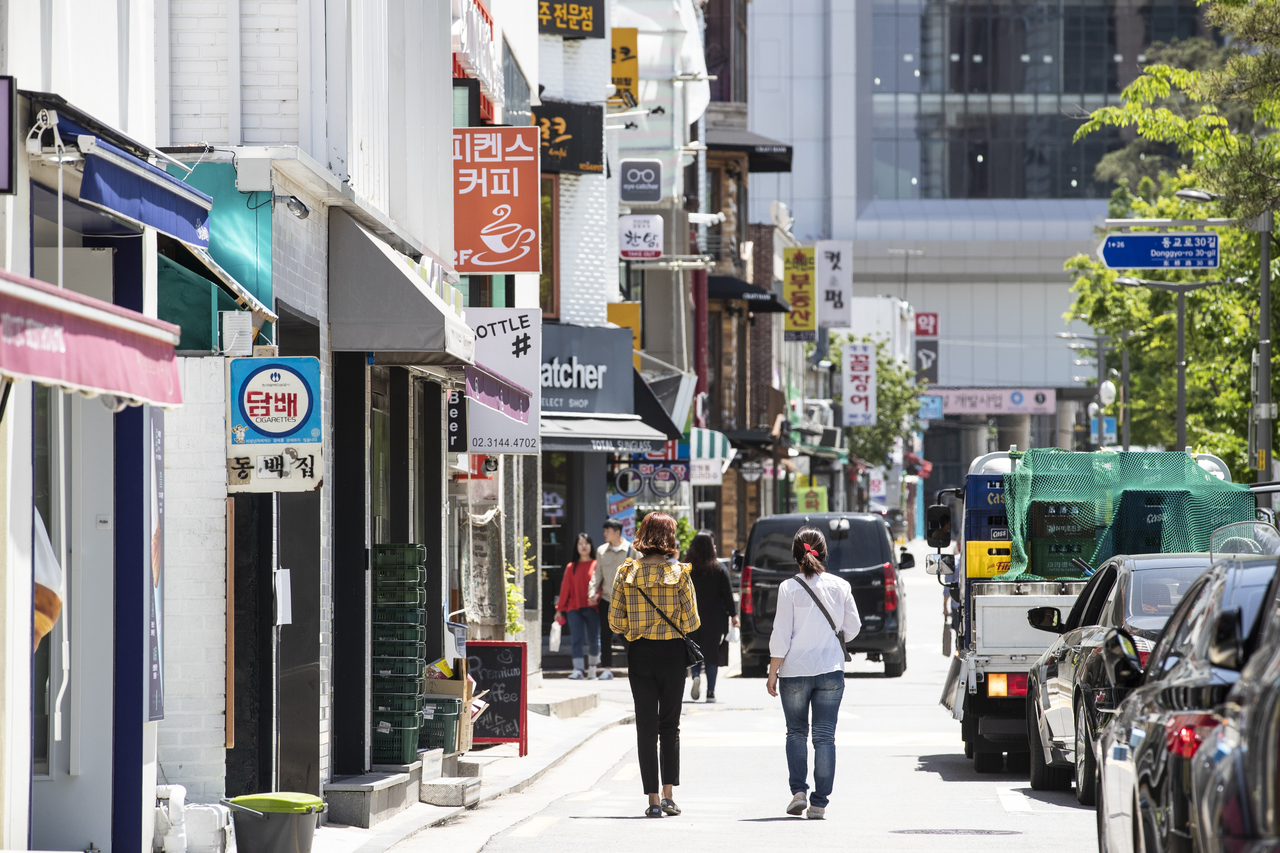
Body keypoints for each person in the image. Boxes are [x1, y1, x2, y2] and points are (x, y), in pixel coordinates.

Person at [766, 527, 861, 820]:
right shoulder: (840, 585)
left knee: (796, 732)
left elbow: (781, 634)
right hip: (831, 670)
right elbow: (853, 627)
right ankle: (819, 803)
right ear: (823, 552)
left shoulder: (788, 587)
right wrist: (834, 637)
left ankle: (799, 793)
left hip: (794, 671)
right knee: (825, 737)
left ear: (795, 555)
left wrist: (772, 672)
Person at [609, 512, 700, 818]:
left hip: (640, 653)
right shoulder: (680, 574)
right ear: (669, 538)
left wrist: (636, 628)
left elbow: (614, 620)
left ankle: (651, 800)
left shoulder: (625, 572)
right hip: (673, 654)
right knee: (670, 726)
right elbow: (692, 621)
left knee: (646, 726)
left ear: (642, 535)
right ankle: (669, 795)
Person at [686, 531, 737, 703]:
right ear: (709, 548)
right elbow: (728, 595)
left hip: (691, 618)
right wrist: (734, 615)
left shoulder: (687, 569)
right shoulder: (718, 568)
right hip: (715, 619)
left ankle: (695, 677)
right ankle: (710, 692)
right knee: (711, 655)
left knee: (693, 651)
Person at [588, 518, 638, 679]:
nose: (604, 534)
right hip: (606, 599)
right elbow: (597, 575)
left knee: (627, 635)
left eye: (607, 531)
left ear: (617, 532)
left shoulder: (632, 550)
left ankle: (636, 667)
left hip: (627, 601)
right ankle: (607, 668)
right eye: (604, 531)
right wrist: (592, 591)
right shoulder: (601, 550)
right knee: (605, 634)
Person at [556, 533, 602, 680]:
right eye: (580, 543)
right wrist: (559, 609)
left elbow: (602, 584)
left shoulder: (596, 564)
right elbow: (565, 589)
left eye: (586, 543)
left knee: (594, 638)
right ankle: (578, 669)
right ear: (576, 547)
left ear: (591, 546)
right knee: (576, 639)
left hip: (592, 607)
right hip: (573, 608)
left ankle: (593, 667)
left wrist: (598, 596)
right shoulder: (571, 567)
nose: (583, 546)